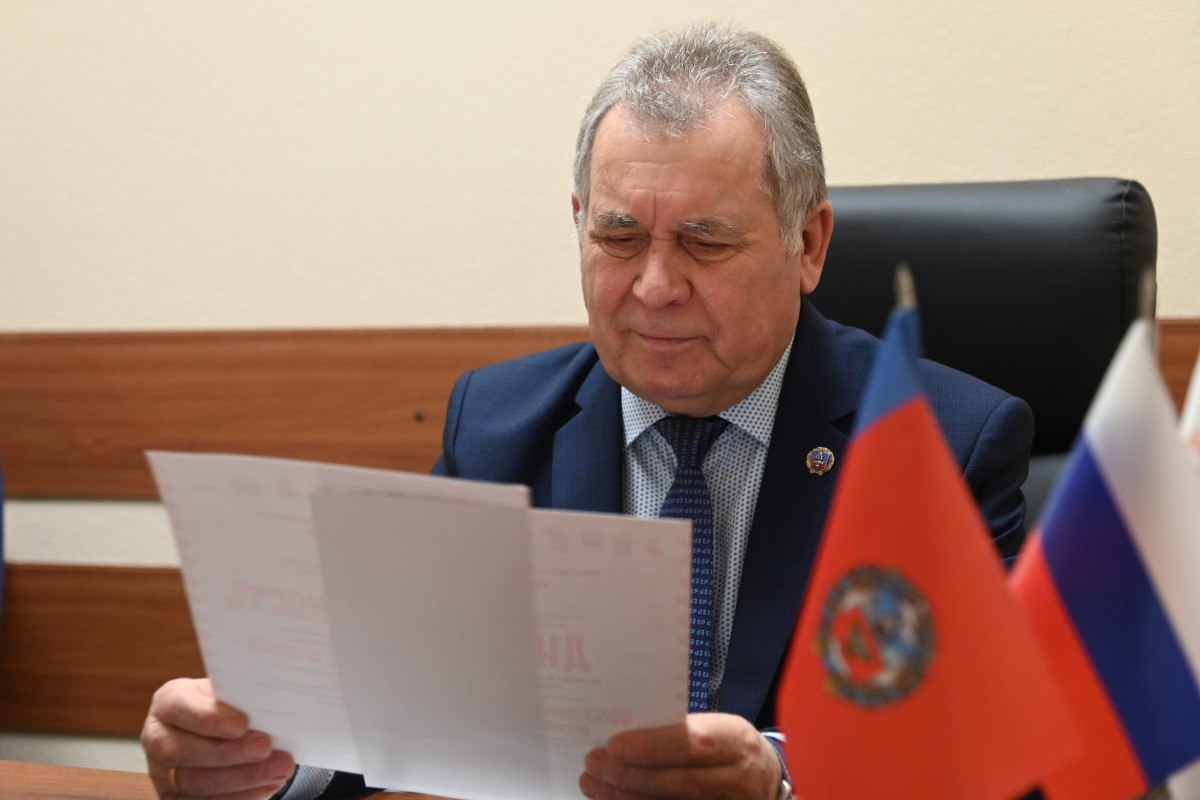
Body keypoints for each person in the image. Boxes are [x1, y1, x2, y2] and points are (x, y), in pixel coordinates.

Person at [141, 23, 1032, 800]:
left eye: (705, 242)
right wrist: (260, 761)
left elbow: (985, 755)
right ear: (578, 223)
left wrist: (782, 780)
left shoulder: (941, 448)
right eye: (618, 237)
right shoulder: (497, 427)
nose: (655, 285)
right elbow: (398, 704)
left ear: (807, 243)